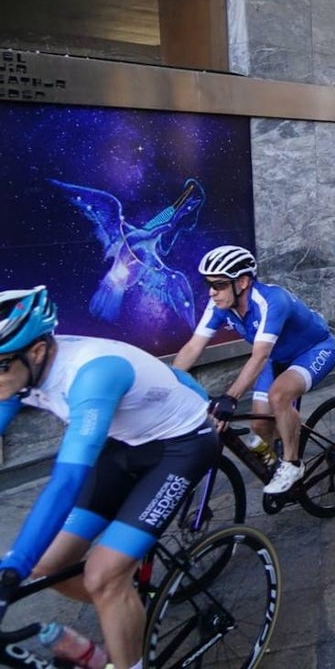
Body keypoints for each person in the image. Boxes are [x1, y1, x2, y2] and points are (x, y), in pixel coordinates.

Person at [0, 286, 219, 669]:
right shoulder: (20, 370)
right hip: (124, 443)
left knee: (101, 574)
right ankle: (127, 599)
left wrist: (13, 564)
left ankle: (122, 616)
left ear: (36, 351)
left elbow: (66, 482)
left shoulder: (91, 374)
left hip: (180, 446)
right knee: (46, 567)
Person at [174, 245, 335, 495]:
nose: (212, 292)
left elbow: (260, 355)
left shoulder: (272, 300)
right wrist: (169, 382)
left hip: (315, 350)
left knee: (279, 396)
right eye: (208, 284)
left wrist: (230, 398)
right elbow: (193, 347)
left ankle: (293, 463)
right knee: (259, 425)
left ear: (242, 281)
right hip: (276, 357)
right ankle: (277, 457)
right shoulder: (219, 306)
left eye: (219, 284)